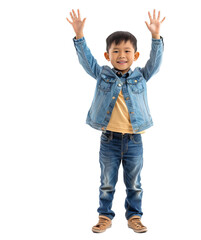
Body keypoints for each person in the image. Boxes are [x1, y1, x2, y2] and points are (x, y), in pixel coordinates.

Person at [66, 9, 165, 233]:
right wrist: (79, 35)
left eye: (127, 51)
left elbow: (156, 63)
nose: (122, 55)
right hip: (109, 140)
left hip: (134, 140)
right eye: (116, 51)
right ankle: (104, 216)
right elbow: (86, 60)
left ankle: (134, 217)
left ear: (135, 56)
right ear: (108, 55)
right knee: (107, 183)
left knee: (134, 184)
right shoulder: (102, 74)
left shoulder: (141, 75)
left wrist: (156, 37)